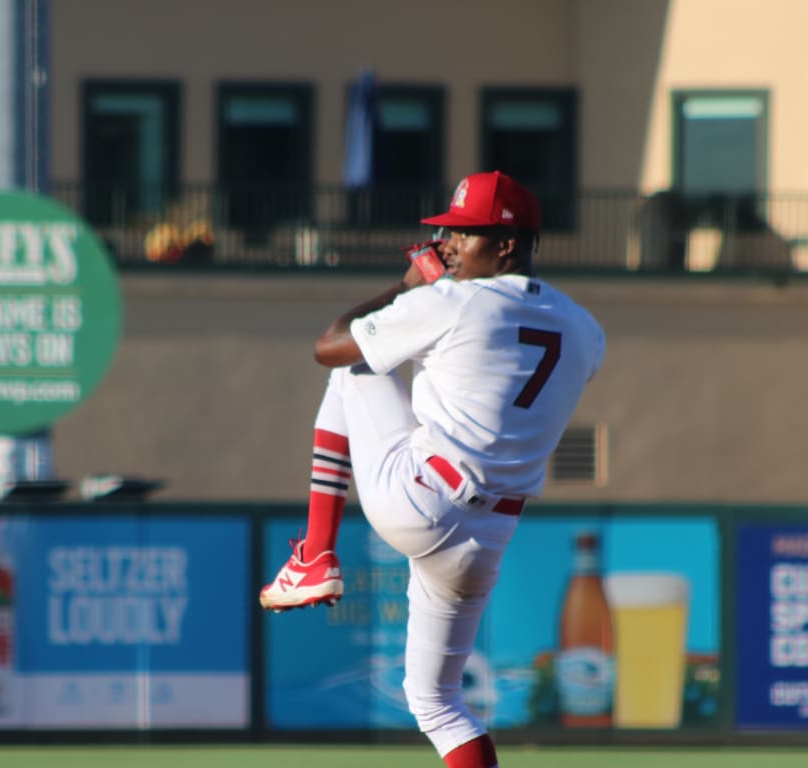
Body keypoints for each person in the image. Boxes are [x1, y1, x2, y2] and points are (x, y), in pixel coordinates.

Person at [259, 170, 606, 768]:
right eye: (446, 229)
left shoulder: (452, 299)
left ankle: (315, 553)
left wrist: (405, 286)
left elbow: (330, 344)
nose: (447, 241)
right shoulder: (584, 326)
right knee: (437, 704)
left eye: (464, 233)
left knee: (353, 370)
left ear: (506, 245)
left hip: (423, 497)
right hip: (488, 537)